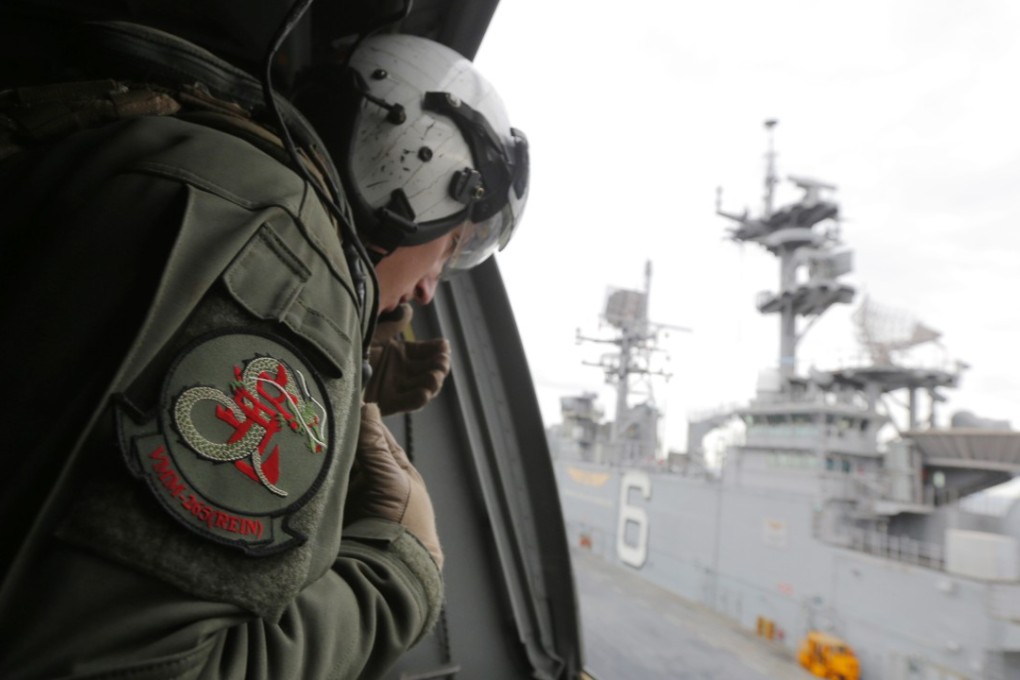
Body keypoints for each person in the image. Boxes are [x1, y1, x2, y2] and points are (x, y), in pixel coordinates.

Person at [0, 12, 528, 680]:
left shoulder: (169, 139)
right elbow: (132, 664)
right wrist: (400, 575)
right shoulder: (288, 259)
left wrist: (344, 383)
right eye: (449, 247)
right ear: (416, 176)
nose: (429, 290)